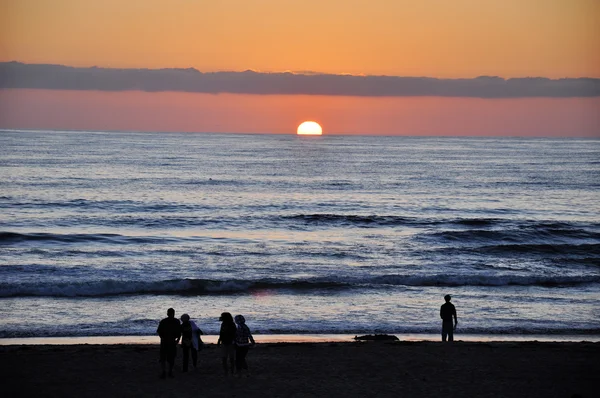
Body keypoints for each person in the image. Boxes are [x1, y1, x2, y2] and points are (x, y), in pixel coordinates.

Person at [157, 308, 181, 378]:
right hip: (171, 341)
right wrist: (177, 340)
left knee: (163, 357)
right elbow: (179, 333)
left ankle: (164, 371)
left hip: (165, 341)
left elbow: (159, 331)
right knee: (171, 357)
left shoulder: (163, 321)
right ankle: (169, 371)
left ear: (167, 313)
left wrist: (162, 338)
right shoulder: (176, 321)